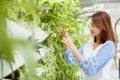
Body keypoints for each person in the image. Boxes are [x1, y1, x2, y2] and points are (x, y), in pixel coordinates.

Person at [61, 11, 119, 80]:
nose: (91, 28)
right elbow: (71, 59)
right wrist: (67, 42)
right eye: (91, 25)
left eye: (94, 26)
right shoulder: (88, 44)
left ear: (103, 26)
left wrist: (72, 46)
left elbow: (91, 69)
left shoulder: (109, 46)